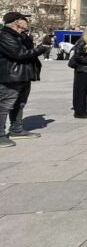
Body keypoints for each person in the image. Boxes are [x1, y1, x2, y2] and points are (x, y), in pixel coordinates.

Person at [0, 12, 46, 147]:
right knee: (4, 105)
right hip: (10, 77)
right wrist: (40, 49)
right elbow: (19, 54)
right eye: (24, 19)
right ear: (16, 22)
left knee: (20, 104)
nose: (27, 21)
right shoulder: (4, 35)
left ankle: (16, 130)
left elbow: (26, 50)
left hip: (23, 75)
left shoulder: (22, 36)